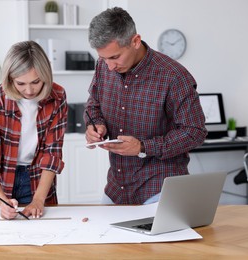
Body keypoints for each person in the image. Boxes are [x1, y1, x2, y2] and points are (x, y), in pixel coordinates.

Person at [84, 7, 207, 205]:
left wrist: (142, 146)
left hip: (160, 187)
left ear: (135, 41)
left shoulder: (174, 76)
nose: (109, 66)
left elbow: (195, 132)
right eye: (103, 58)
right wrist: (95, 125)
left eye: (115, 57)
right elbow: (93, 103)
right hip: (117, 187)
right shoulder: (104, 66)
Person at [0, 40, 68, 219]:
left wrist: (39, 200)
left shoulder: (57, 97)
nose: (29, 90)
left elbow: (52, 154)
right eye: (21, 83)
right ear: (10, 78)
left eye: (36, 82)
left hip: (38, 181)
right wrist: (2, 202)